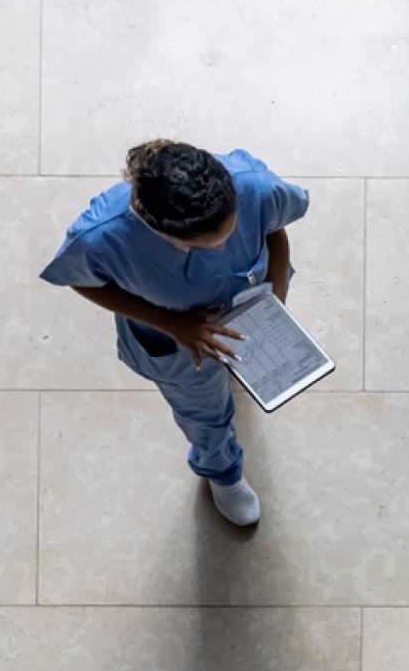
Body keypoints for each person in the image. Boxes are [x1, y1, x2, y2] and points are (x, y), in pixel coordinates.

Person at [41, 140, 308, 526]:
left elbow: (274, 228)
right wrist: (172, 325)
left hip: (254, 308)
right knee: (204, 415)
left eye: (229, 233)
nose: (223, 249)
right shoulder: (102, 238)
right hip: (178, 345)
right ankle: (223, 474)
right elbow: (82, 282)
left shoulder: (255, 186)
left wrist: (277, 298)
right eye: (207, 245)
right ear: (157, 229)